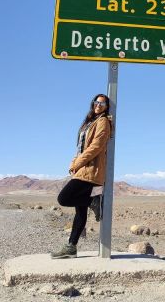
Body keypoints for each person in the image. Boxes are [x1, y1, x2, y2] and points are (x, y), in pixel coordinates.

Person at [51, 94, 112, 259]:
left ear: (107, 106)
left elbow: (96, 147)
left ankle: (92, 199)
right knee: (80, 212)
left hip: (91, 171)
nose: (99, 105)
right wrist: (73, 164)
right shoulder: (89, 122)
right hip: (81, 169)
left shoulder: (103, 122)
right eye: (96, 102)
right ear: (92, 103)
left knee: (63, 198)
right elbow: (79, 148)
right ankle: (71, 247)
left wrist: (78, 164)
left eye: (103, 103)